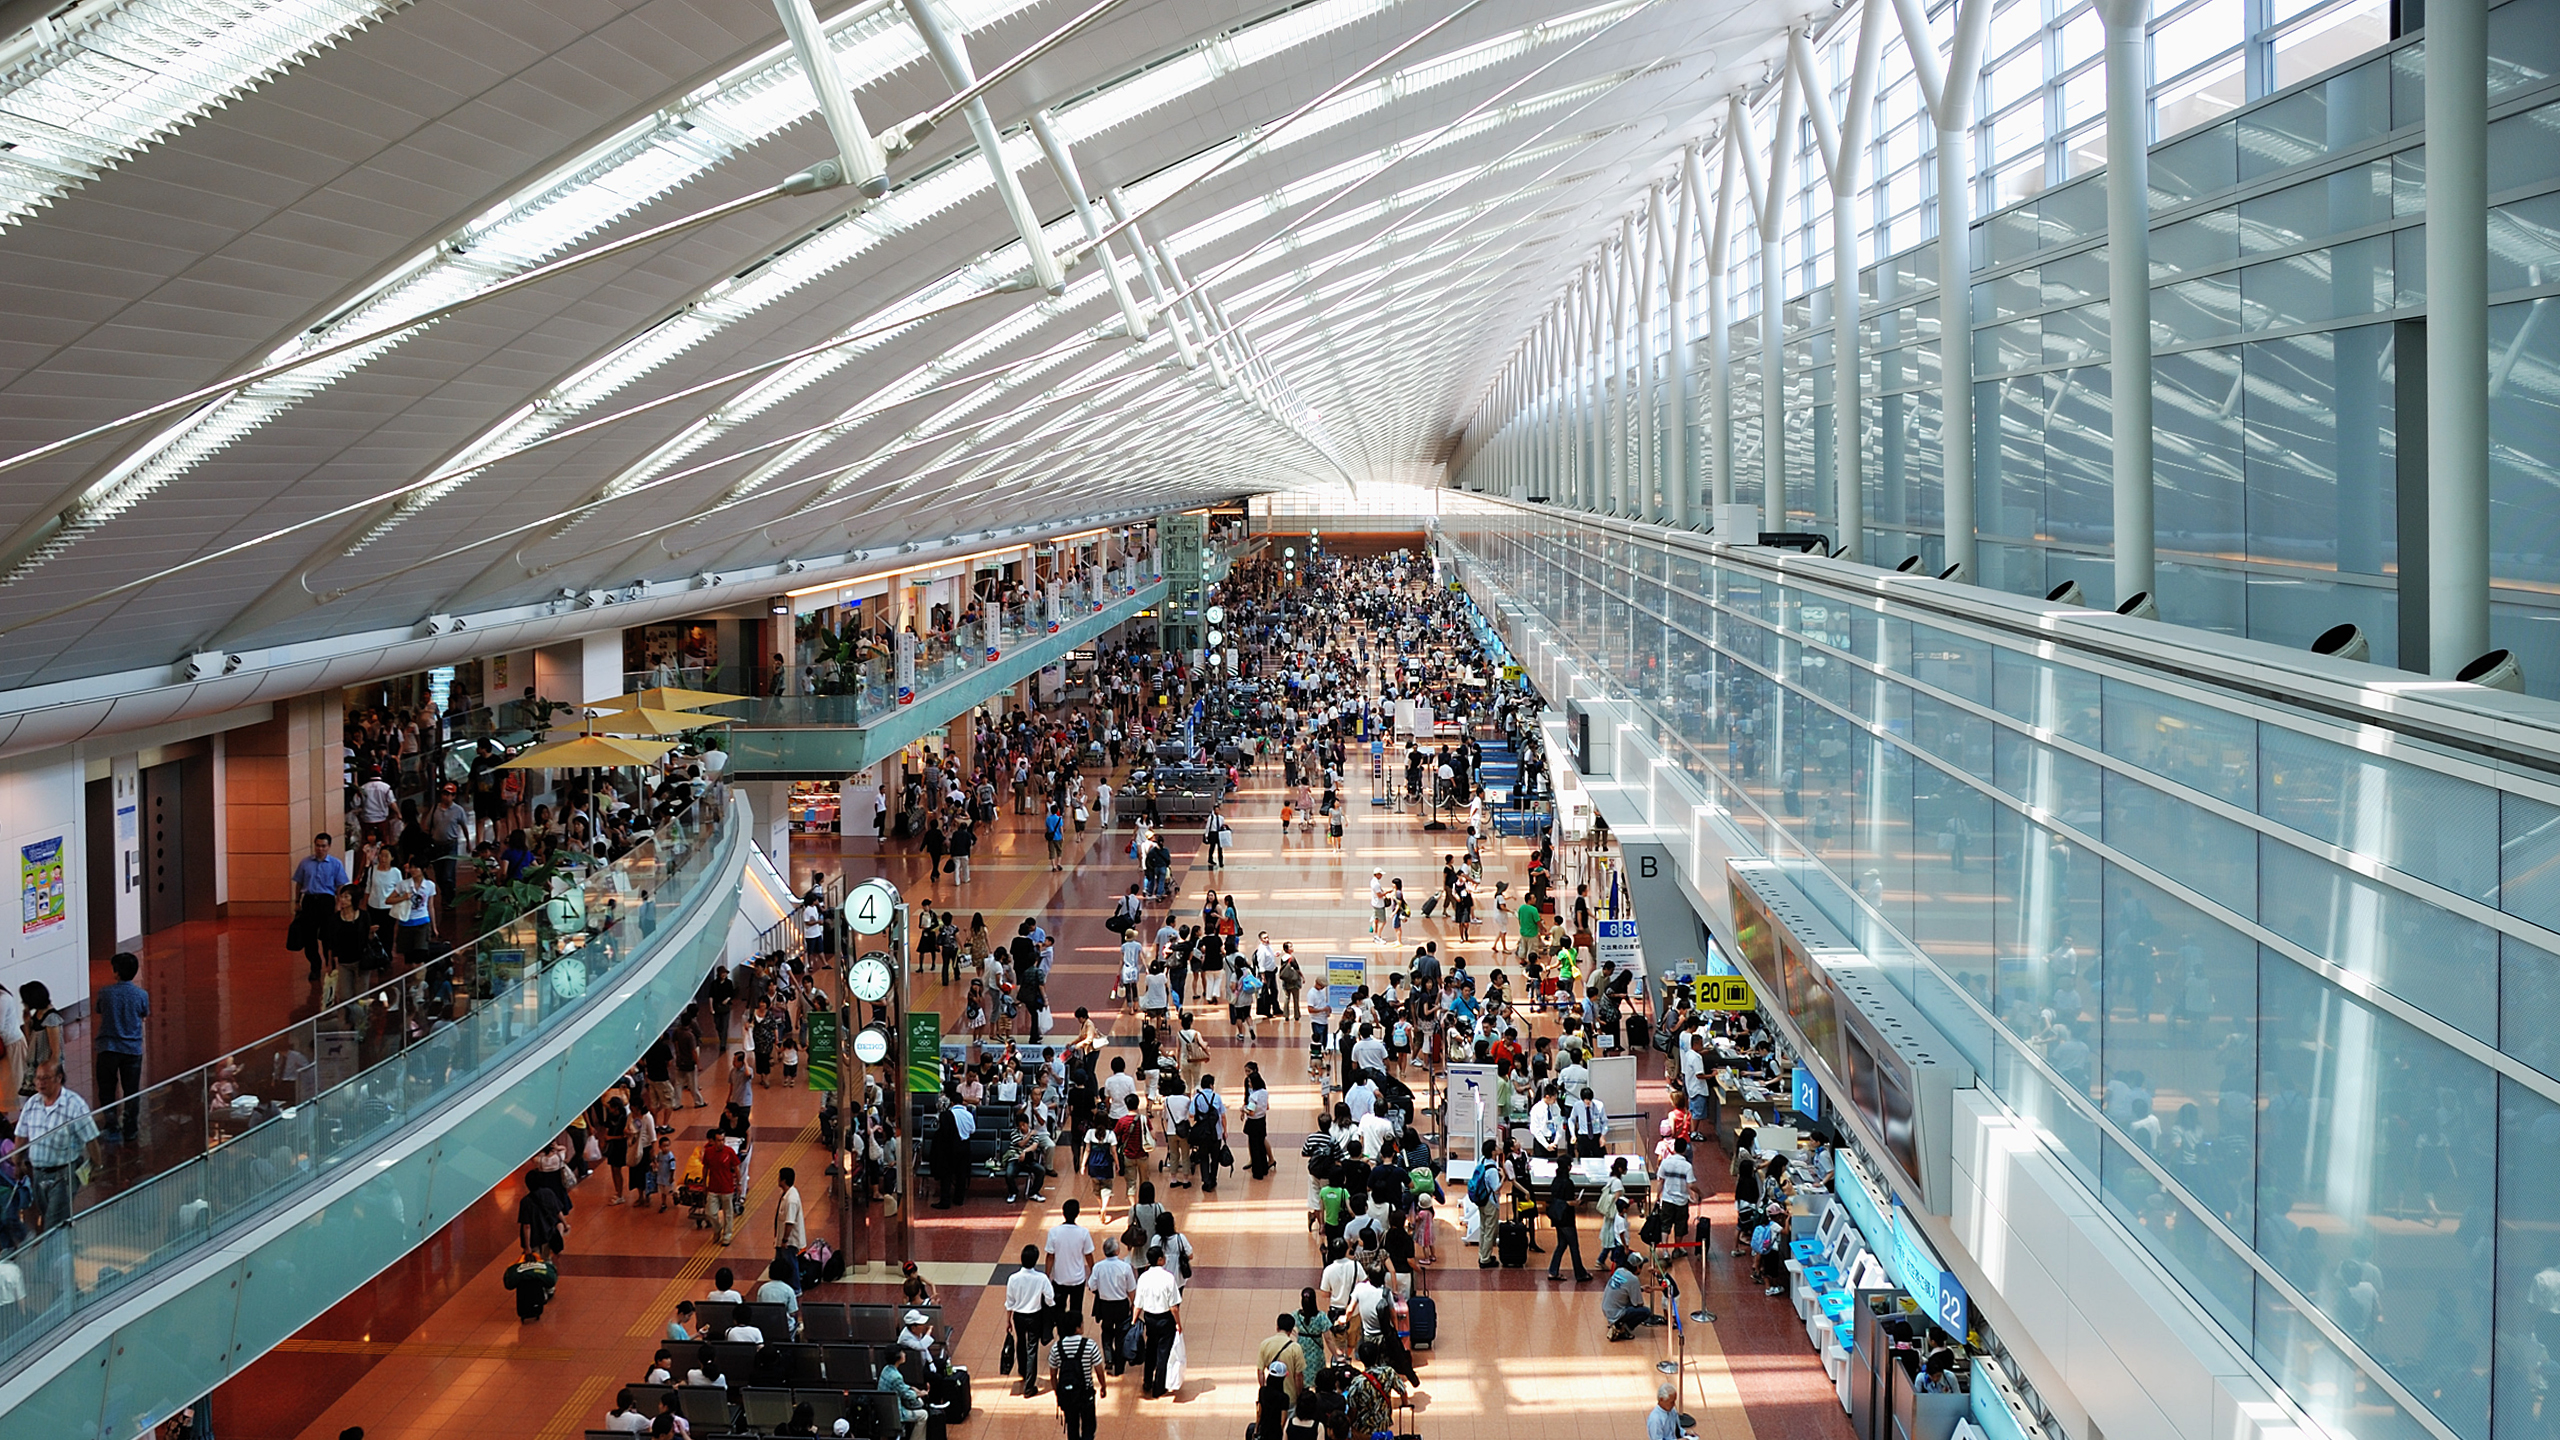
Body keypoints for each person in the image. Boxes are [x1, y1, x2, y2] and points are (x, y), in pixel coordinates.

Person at [19, 1059, 102, 1230]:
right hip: (39, 1173)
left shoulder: (74, 1104)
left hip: (64, 1174)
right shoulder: (32, 1104)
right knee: (52, 1217)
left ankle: (51, 1253)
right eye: (38, 1078)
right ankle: (66, 1248)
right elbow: (21, 1135)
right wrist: (16, 1162)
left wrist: (96, 1165)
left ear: (59, 1078)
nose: (40, 1083)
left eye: (46, 1078)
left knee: (53, 1224)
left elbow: (91, 1139)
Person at [91, 950, 147, 1142]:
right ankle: (131, 1128)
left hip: (108, 1047)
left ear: (116, 972)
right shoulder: (141, 994)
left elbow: (98, 1009)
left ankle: (111, 1125)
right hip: (132, 1049)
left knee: (107, 1088)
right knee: (131, 1090)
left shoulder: (105, 992)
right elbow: (144, 1012)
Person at [290, 833, 349, 981]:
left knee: (328, 936)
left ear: (328, 847)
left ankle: (330, 964)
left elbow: (340, 885)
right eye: (318, 845)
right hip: (309, 901)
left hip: (327, 902)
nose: (320, 849)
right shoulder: (305, 863)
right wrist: (297, 901)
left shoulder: (336, 864)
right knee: (309, 936)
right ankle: (314, 966)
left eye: (323, 846)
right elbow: (299, 883)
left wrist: (338, 903)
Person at [1005, 1242, 1057, 1395]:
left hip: (1018, 1317)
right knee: (1032, 1348)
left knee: (1020, 1342)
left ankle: (1022, 1369)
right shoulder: (1041, 1278)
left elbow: (1010, 1302)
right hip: (1035, 1316)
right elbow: (1050, 1297)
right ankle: (1029, 1385)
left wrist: (1008, 1320)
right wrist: (1049, 1306)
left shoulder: (1013, 1278)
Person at [1134, 1245, 1184, 1397]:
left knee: (1151, 1349)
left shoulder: (1143, 1277)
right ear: (1160, 1259)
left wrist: (1134, 1320)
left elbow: (1138, 1304)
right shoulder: (1168, 1278)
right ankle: (1159, 1386)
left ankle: (1147, 1380)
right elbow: (1174, 1306)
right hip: (1165, 1319)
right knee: (1163, 1353)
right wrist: (1178, 1323)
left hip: (1150, 1318)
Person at [1050, 1314, 1107, 1440]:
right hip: (1086, 1394)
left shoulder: (1056, 1348)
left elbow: (1053, 1375)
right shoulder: (1090, 1345)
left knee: (1072, 1427)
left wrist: (1058, 1392)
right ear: (1077, 1328)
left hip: (1068, 1395)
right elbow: (1099, 1370)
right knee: (1089, 1427)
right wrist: (1103, 1386)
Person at [1089, 1236, 1137, 1375]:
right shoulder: (1125, 1267)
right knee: (1121, 1334)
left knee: (1106, 1331)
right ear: (1117, 1251)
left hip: (1105, 1306)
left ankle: (1109, 1358)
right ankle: (1120, 1366)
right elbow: (1131, 1289)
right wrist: (1133, 1305)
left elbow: (1092, 1286)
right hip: (1121, 1305)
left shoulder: (1098, 1267)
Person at [1547, 1147, 1594, 1282]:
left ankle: (1553, 1271)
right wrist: (1578, 1202)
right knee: (1573, 1245)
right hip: (1566, 1218)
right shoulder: (1568, 1183)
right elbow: (1569, 1202)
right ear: (1568, 1167)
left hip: (1556, 1216)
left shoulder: (1555, 1181)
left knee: (1562, 1244)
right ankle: (1580, 1273)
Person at [1603, 1257, 1665, 1340]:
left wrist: (1641, 1289)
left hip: (1607, 1308)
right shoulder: (1634, 1279)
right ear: (1637, 1267)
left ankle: (1614, 1322)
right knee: (1645, 1311)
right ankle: (1621, 1328)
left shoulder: (1619, 1270)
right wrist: (1637, 1292)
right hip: (1616, 1312)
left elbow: (1624, 1288)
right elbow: (1638, 1303)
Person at [774, 1165, 806, 1252]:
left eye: (779, 1177)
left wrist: (784, 1240)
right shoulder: (786, 1194)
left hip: (790, 1244)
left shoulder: (791, 1199)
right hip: (783, 1242)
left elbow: (789, 1222)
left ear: (783, 1180)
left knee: (790, 1265)